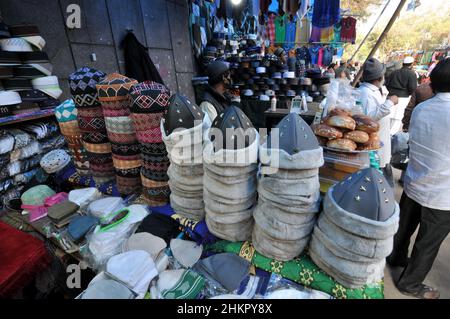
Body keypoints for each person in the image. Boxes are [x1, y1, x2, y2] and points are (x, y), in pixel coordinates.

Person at [387, 59, 450, 299]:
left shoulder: (423, 108)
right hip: (443, 192)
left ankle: (396, 256)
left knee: (404, 227)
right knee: (428, 242)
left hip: (416, 180)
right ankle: (410, 283)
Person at [358, 58, 398, 186]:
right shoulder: (366, 92)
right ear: (380, 77)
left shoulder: (373, 90)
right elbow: (369, 118)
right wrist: (389, 102)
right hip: (373, 144)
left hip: (380, 139)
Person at [386, 56, 418, 134]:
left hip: (391, 96)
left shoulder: (394, 72)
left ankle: (387, 133)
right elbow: (413, 88)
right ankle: (391, 135)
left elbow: (387, 84)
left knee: (389, 115)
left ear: (403, 64)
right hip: (403, 98)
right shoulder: (411, 74)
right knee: (398, 117)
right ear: (411, 64)